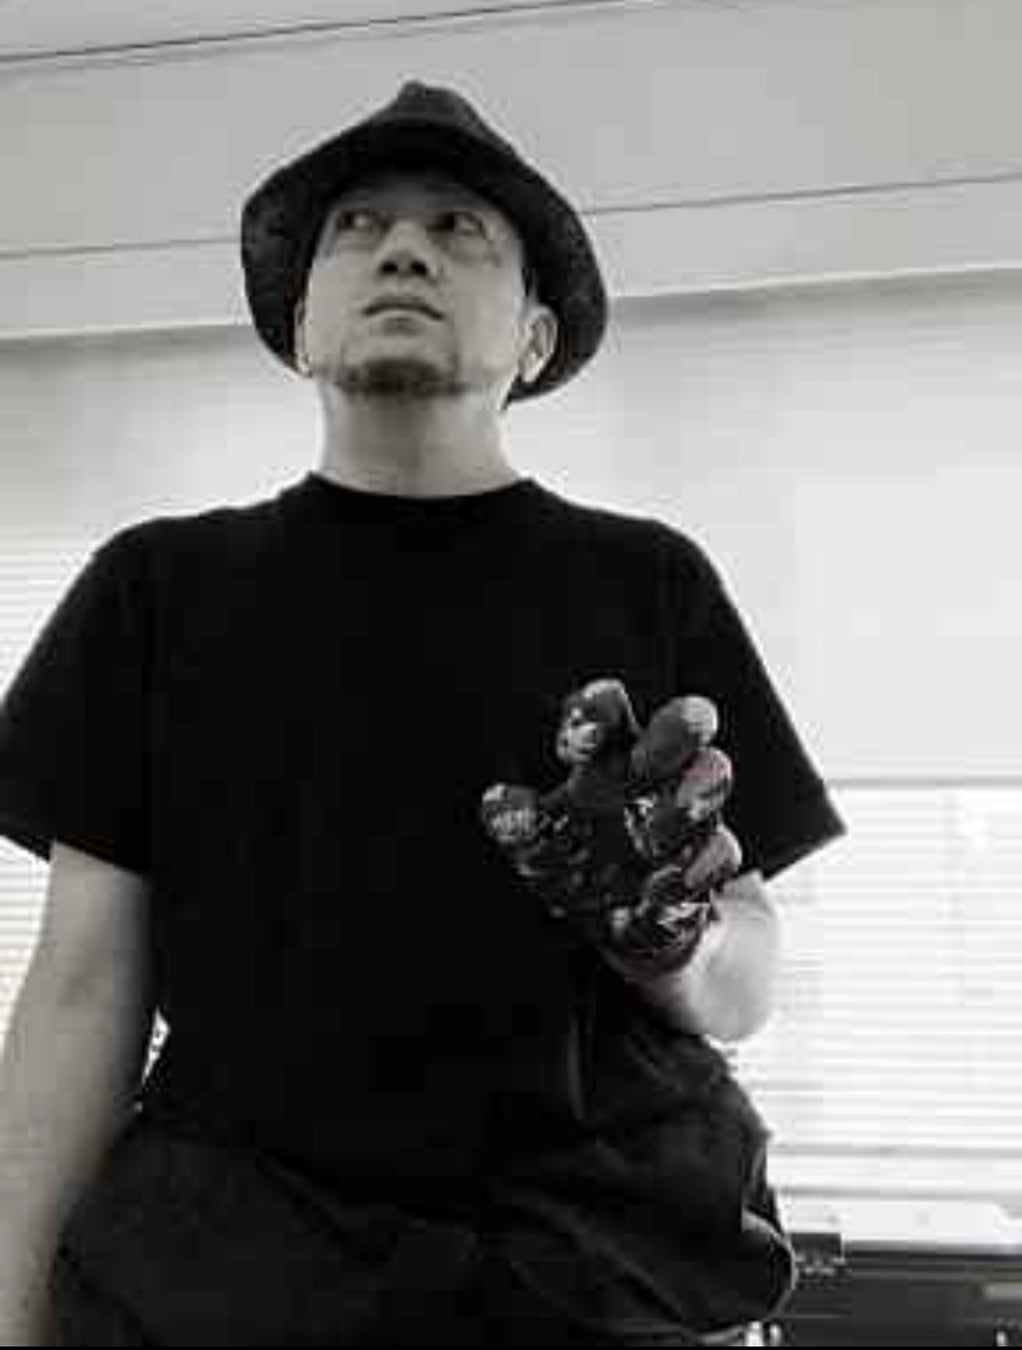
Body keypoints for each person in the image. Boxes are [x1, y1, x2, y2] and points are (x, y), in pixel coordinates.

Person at [0, 81, 845, 1347]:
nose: (401, 248)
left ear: (536, 338)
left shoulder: (647, 580)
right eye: (357, 227)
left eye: (460, 229)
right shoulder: (155, 587)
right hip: (230, 1272)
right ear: (299, 327)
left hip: (598, 1268)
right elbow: (79, 995)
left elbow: (744, 986)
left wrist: (675, 943)